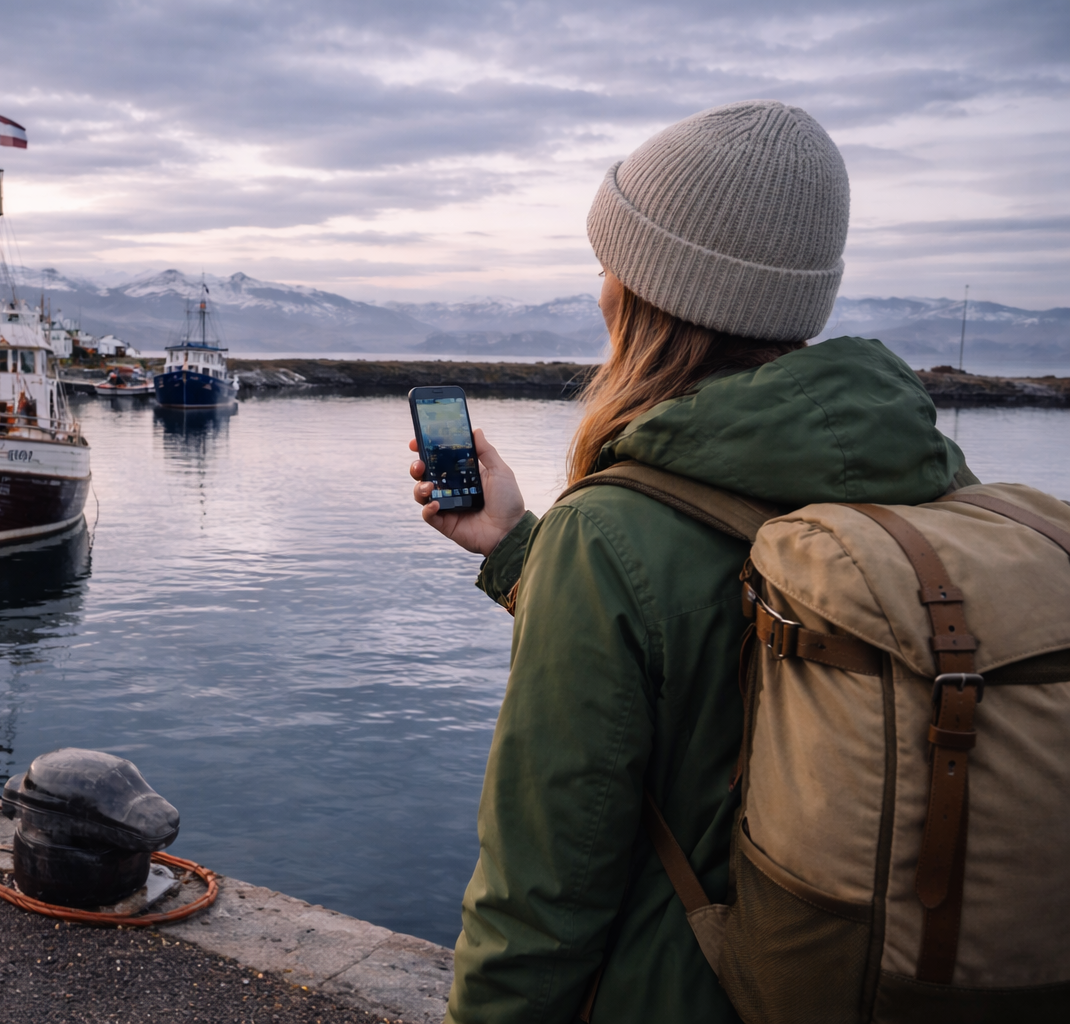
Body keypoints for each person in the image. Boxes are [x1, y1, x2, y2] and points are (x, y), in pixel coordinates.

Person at [409, 100, 974, 1023]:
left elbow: (541, 894)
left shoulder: (610, 531)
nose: (600, 285)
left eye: (611, 262)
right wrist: (521, 550)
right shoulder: (935, 482)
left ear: (646, 291)